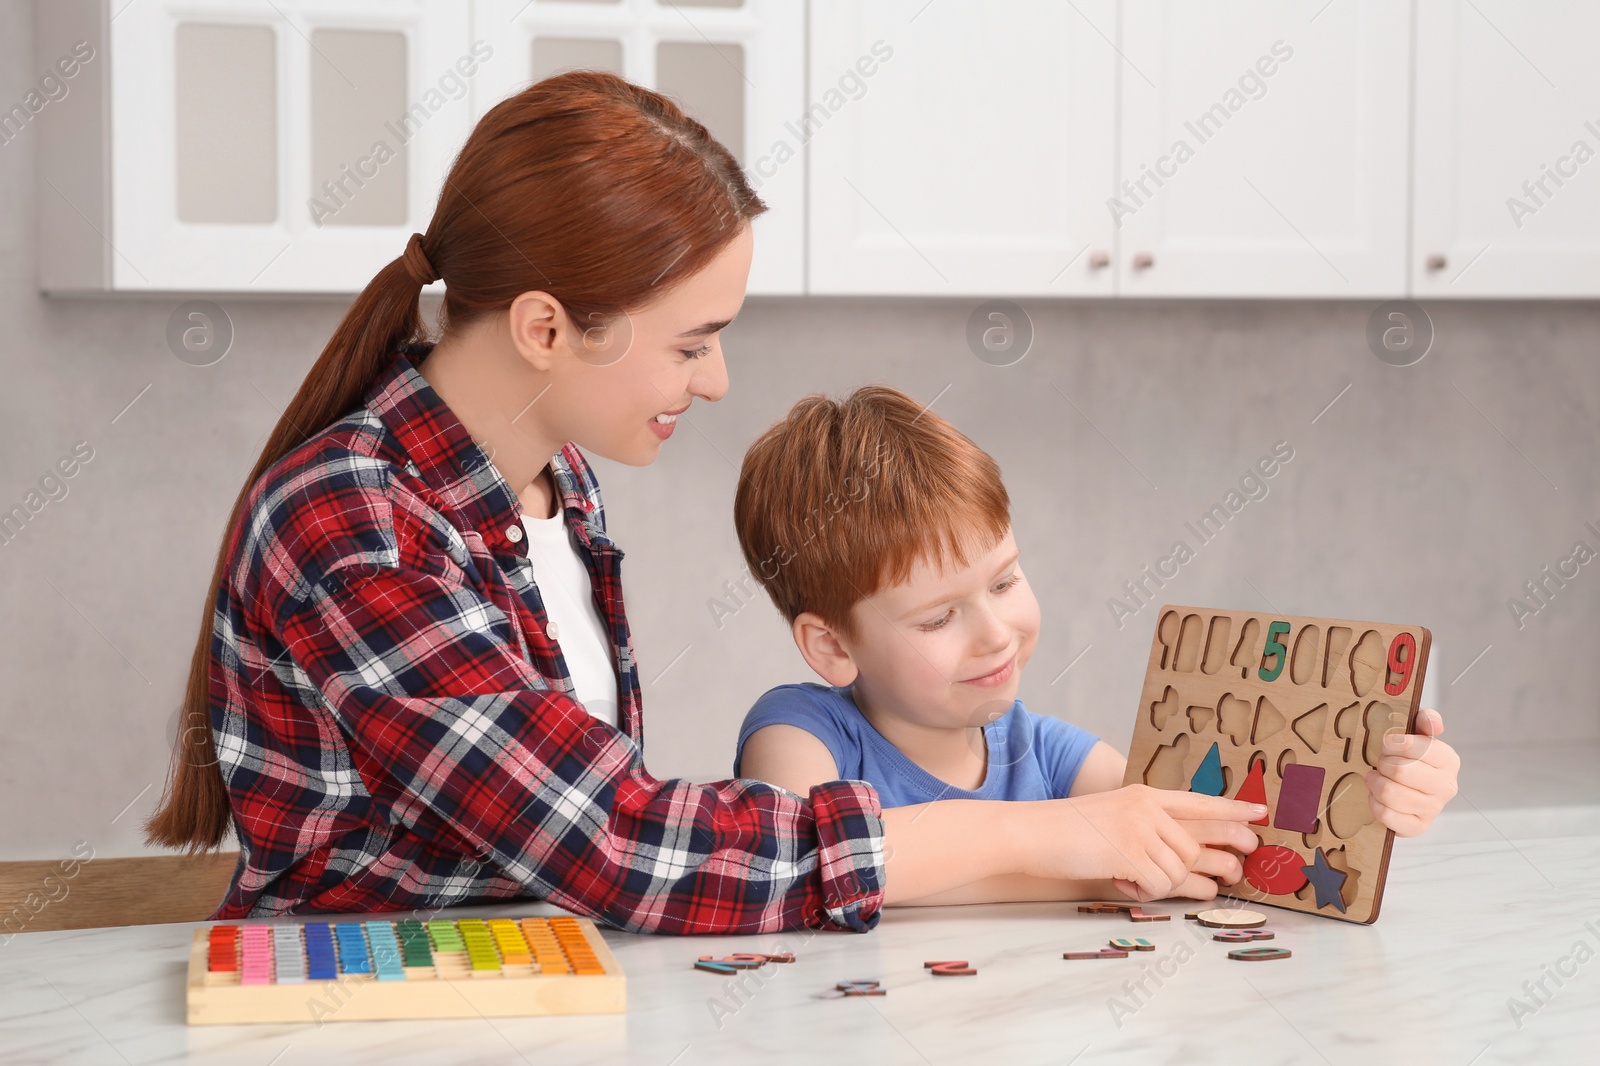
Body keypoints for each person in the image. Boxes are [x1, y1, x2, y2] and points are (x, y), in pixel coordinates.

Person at [144, 71, 1261, 935]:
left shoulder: (556, 477)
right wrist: (1061, 835)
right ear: (545, 329)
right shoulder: (352, 523)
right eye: (692, 342)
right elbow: (620, 843)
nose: (717, 381)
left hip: (542, 992)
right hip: (371, 1018)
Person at [733, 385, 1461, 904]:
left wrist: (1381, 791)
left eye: (1005, 581)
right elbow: (803, 864)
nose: (995, 633)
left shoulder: (1048, 753)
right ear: (831, 648)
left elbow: (1218, 841)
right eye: (937, 619)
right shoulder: (800, 732)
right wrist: (1083, 861)